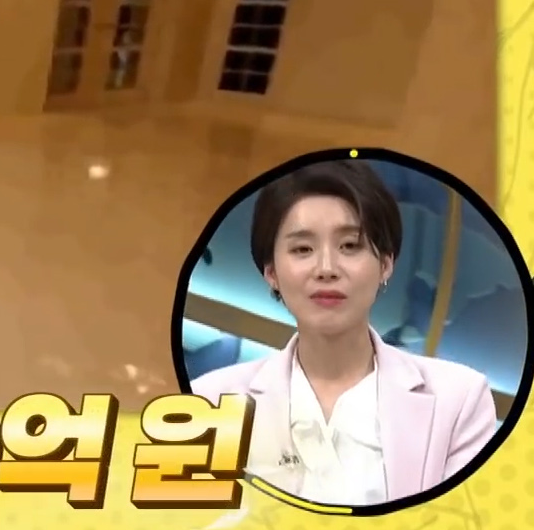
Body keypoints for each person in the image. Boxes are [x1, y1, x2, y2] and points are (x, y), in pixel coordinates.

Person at [190, 159, 499, 507]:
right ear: (272, 272)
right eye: (302, 249)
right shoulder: (206, 403)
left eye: (350, 246)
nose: (326, 269)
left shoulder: (460, 401)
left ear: (386, 264)